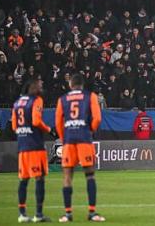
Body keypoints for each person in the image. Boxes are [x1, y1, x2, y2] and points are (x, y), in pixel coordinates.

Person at [55, 73, 105, 222]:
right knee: (89, 175)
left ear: (70, 85)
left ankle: (68, 214)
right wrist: (90, 130)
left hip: (69, 140)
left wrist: (64, 139)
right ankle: (92, 212)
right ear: (82, 85)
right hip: (84, 139)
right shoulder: (91, 97)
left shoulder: (62, 99)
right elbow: (97, 118)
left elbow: (58, 122)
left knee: (67, 177)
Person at [12, 80, 56, 223]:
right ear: (31, 87)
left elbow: (14, 126)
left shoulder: (17, 103)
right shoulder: (37, 100)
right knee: (39, 179)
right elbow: (36, 121)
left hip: (22, 146)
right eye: (38, 86)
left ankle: (22, 214)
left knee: (23, 180)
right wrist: (49, 130)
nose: (40, 88)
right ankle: (38, 214)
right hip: (35, 146)